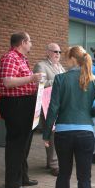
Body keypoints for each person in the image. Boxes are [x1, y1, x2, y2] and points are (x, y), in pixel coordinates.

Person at [42, 46, 95, 188]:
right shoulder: (93, 80)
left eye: (66, 57)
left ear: (72, 59)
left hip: (63, 133)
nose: (64, 60)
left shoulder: (60, 79)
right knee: (84, 178)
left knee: (64, 173)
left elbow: (53, 108)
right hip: (86, 133)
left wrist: (46, 134)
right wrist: (88, 114)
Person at [0, 32, 43, 188]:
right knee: (16, 144)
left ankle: (22, 177)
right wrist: (32, 78)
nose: (31, 44)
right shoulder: (10, 57)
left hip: (26, 103)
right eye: (30, 41)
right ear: (23, 42)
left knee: (25, 143)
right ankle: (12, 182)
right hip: (16, 105)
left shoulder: (22, 59)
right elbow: (8, 82)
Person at [34, 43, 66, 176]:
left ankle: (52, 161)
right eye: (55, 52)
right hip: (47, 104)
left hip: (61, 104)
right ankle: (53, 164)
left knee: (58, 132)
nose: (57, 54)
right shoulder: (41, 65)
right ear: (48, 52)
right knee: (51, 133)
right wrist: (57, 81)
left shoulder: (60, 67)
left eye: (59, 52)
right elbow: (39, 83)